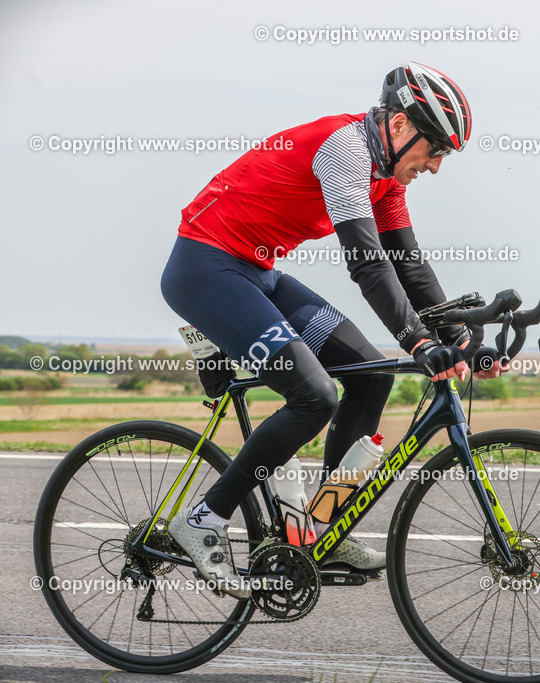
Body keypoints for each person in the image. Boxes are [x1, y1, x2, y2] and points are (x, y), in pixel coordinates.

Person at [161, 63, 504, 599]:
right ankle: (203, 519)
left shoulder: (386, 178)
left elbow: (408, 264)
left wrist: (458, 337)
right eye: (435, 148)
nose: (436, 165)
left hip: (259, 273)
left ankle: (324, 526)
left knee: (371, 376)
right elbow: (367, 263)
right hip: (205, 268)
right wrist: (418, 340)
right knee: (315, 395)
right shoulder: (344, 150)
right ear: (398, 125)